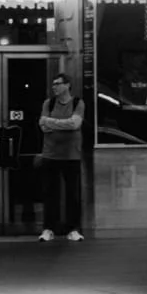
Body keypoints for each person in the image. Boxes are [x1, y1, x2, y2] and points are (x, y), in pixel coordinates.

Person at [38, 72, 85, 241]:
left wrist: (53, 122)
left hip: (71, 155)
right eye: (53, 84)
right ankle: (49, 229)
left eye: (57, 84)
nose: (54, 87)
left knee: (73, 194)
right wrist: (64, 124)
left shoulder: (78, 103)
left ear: (67, 85)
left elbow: (75, 124)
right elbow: (42, 125)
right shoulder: (48, 103)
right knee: (50, 194)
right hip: (50, 155)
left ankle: (73, 229)